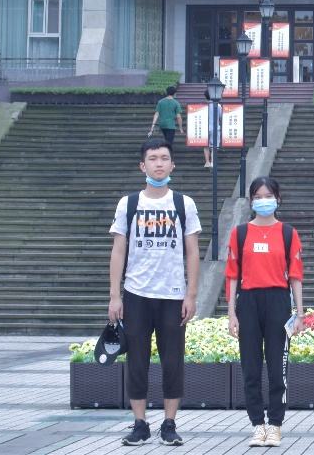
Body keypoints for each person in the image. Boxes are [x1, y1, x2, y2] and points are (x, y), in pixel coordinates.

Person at [108, 137, 202, 446]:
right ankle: (140, 424)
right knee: (136, 360)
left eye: (163, 158)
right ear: (142, 166)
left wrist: (190, 295)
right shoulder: (129, 204)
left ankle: (170, 423)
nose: (158, 163)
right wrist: (115, 296)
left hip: (172, 295)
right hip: (136, 293)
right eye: (152, 158)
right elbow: (118, 251)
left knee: (172, 361)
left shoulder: (184, 204)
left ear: (172, 165)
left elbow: (192, 252)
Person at [226, 177, 304, 448]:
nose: (263, 201)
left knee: (276, 368)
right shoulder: (240, 233)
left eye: (268, 195)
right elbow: (232, 275)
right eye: (258, 196)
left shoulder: (288, 233)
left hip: (278, 302)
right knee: (250, 368)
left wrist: (300, 313)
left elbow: (295, 275)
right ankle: (257, 425)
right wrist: (231, 313)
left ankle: (275, 425)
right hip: (248, 302)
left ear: (278, 199)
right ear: (251, 201)